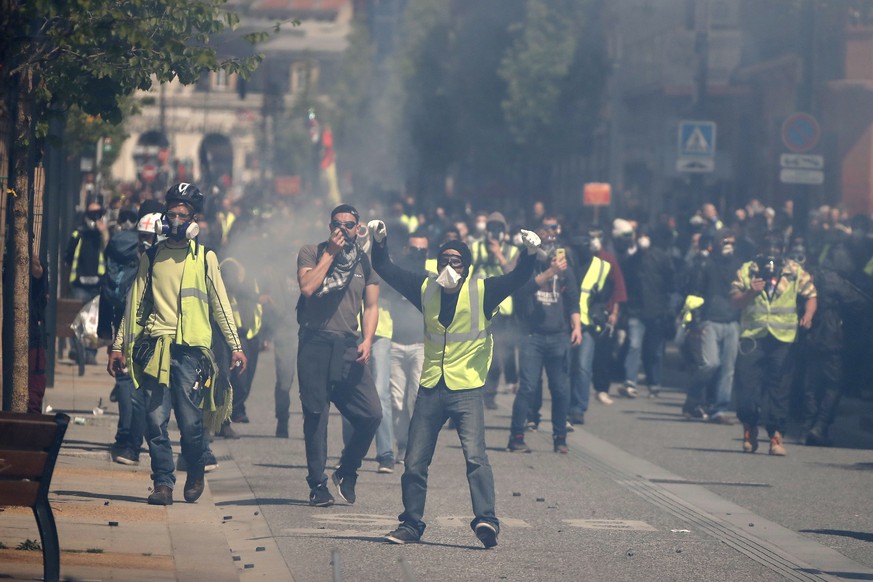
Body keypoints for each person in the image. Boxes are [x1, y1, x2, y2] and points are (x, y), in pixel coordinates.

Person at [368, 218, 539, 548]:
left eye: (456, 261)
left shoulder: (483, 291)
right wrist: (379, 242)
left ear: (467, 267)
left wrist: (529, 253)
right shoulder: (425, 288)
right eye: (444, 260)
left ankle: (486, 520)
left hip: (467, 389)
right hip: (431, 387)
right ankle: (411, 524)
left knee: (476, 459)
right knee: (414, 461)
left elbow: (518, 277)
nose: (449, 266)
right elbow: (385, 269)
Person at [107, 183, 247, 505]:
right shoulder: (152, 256)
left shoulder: (205, 257)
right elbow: (135, 307)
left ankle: (195, 469)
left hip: (191, 354)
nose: (175, 220)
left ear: (194, 219)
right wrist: (118, 345)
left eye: (183, 215)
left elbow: (220, 304)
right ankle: (163, 484)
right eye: (171, 213)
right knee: (155, 421)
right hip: (156, 348)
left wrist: (235, 345)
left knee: (190, 422)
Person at [295, 204, 382, 507]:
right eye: (337, 224)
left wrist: (368, 339)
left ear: (359, 228)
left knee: (372, 414)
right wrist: (330, 253)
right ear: (329, 225)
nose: (343, 229)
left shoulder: (363, 261)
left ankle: (347, 470)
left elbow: (371, 306)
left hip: (348, 346)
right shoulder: (312, 251)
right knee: (316, 415)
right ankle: (318, 484)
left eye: (349, 224)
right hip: (315, 343)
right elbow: (307, 287)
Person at [731, 233, 816, 456]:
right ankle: (749, 427)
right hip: (753, 337)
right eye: (767, 246)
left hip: (783, 338)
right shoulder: (748, 269)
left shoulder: (794, 270)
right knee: (746, 386)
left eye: (776, 247)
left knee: (779, 388)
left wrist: (808, 315)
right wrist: (751, 291)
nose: (772, 251)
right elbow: (735, 300)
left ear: (783, 249)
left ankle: (776, 435)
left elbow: (811, 294)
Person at [506, 226, 581, 454]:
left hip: (558, 335)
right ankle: (516, 436)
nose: (550, 250)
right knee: (527, 387)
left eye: (553, 245)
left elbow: (572, 300)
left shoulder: (565, 270)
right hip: (532, 336)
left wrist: (576, 325)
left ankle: (560, 438)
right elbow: (520, 292)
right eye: (545, 245)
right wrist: (549, 272)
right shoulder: (529, 267)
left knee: (560, 389)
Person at [99, 211, 161, 465]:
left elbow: (110, 291)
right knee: (146, 395)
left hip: (126, 328)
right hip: (148, 333)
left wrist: (113, 339)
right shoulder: (154, 258)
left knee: (135, 389)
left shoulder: (123, 249)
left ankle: (129, 443)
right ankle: (135, 444)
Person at [680, 229, 742, 424]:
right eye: (725, 242)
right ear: (716, 243)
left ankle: (719, 409)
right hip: (710, 320)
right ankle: (693, 398)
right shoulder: (705, 264)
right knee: (710, 364)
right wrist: (696, 323)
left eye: (731, 242)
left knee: (728, 368)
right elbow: (695, 294)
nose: (728, 246)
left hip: (732, 321)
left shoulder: (739, 266)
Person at [471, 211, 520, 408]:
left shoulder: (511, 250)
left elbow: (514, 274)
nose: (495, 232)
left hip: (503, 311)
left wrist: (498, 254)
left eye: (499, 229)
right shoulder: (475, 247)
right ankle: (473, 392)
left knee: (498, 354)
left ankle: (489, 395)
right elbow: (465, 270)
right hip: (479, 307)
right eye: (491, 228)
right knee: (475, 351)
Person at [65, 198, 109, 364]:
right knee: (77, 319)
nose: (95, 217)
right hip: (78, 285)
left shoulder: (103, 234)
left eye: (98, 214)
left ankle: (90, 355)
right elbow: (68, 258)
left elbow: (111, 253)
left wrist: (104, 233)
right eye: (91, 214)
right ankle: (77, 351)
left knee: (94, 322)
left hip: (97, 286)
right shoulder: (78, 234)